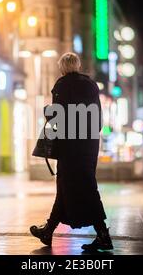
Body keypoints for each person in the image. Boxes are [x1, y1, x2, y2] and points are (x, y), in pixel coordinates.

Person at [30, 53, 113, 252]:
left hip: (70, 147)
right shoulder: (92, 85)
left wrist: (48, 112)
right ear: (78, 65)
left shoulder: (62, 85)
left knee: (80, 189)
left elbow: (58, 118)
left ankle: (103, 235)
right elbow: (98, 120)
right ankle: (48, 231)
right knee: (73, 187)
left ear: (63, 67)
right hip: (89, 145)